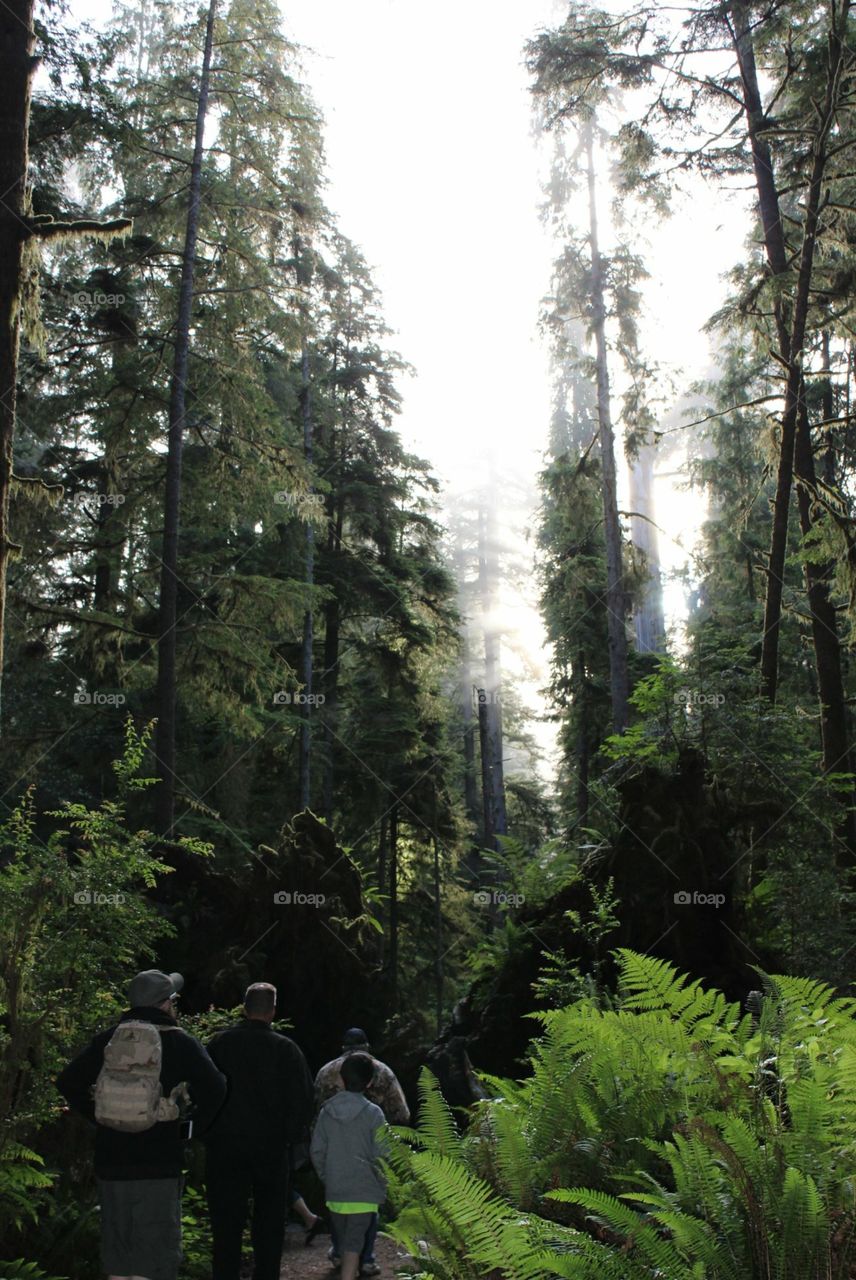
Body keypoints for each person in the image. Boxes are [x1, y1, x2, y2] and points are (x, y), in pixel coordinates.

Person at [57, 968, 226, 1280]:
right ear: (165, 1004)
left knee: (118, 1260)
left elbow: (67, 1081)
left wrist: (100, 1116)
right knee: (155, 1262)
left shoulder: (109, 1040)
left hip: (112, 1163)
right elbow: (216, 1088)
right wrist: (188, 1129)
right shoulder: (181, 1043)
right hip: (159, 1165)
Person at [203, 982, 315, 1280]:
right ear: (273, 1011)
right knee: (269, 1223)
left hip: (224, 1148)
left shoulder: (218, 1044)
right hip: (270, 1148)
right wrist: (289, 1137)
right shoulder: (286, 1050)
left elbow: (201, 1092)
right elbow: (303, 1100)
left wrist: (208, 1132)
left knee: (226, 1223)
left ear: (244, 1008)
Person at [315, 1027, 409, 1274]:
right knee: (366, 1213)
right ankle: (365, 1258)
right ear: (367, 1046)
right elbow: (402, 1113)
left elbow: (316, 1112)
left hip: (335, 1159)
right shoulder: (382, 1072)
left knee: (340, 1212)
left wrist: (326, 1171)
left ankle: (339, 1252)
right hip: (367, 1160)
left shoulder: (326, 1072)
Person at [310, 1053, 388, 1280]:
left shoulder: (327, 1112)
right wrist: (380, 1182)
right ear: (370, 1082)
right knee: (355, 1244)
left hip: (336, 1190)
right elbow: (384, 1154)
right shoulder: (374, 1114)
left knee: (346, 1242)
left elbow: (317, 1151)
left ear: (342, 1080)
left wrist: (328, 1176)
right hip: (365, 1192)